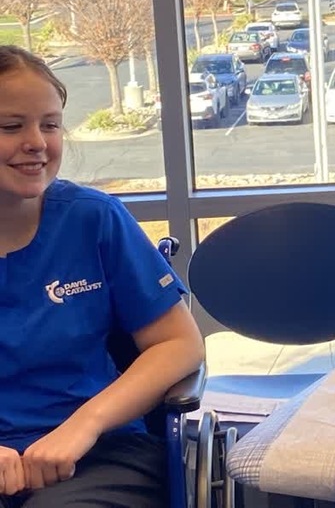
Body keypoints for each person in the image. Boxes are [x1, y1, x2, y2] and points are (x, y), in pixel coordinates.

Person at [0, 46, 205, 508]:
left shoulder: (92, 220)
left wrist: (84, 425)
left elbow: (180, 343)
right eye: (11, 126)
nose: (37, 142)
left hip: (98, 455)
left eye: (50, 125)